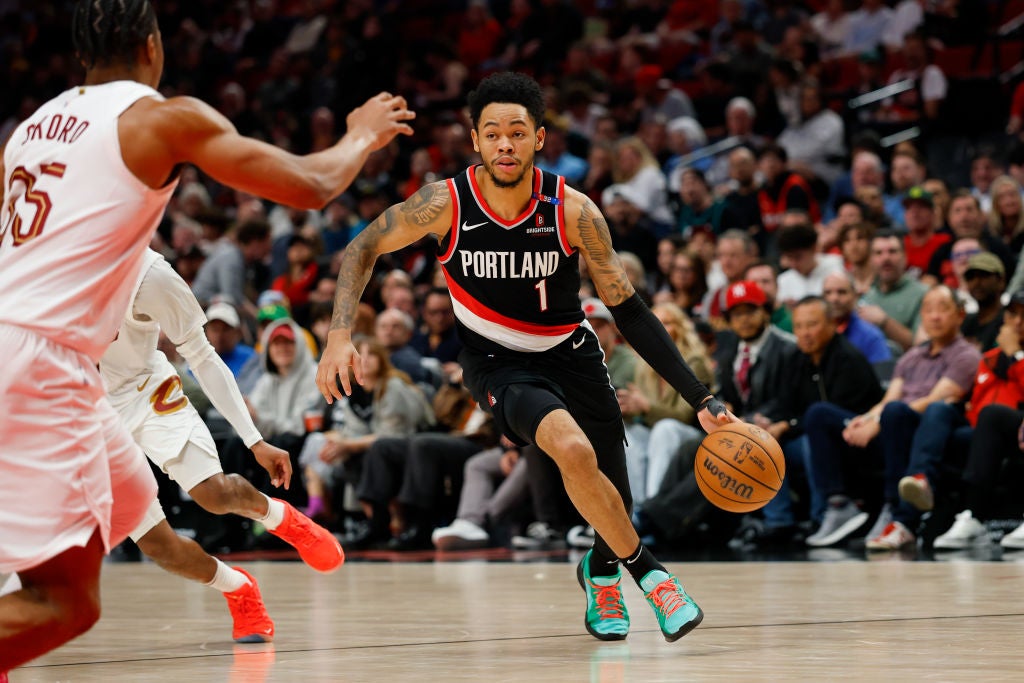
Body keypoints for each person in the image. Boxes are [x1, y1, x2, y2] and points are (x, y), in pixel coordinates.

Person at [0, 0, 412, 671]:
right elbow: (312, 184)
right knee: (62, 601)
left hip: (61, 366)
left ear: (80, 55)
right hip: (45, 363)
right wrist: (361, 133)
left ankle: (251, 570)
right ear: (154, 48)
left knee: (153, 530)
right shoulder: (160, 117)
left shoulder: (29, 131)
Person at [316, 72, 735, 643]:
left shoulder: (573, 209)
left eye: (518, 132)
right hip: (498, 364)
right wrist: (339, 336)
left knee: (613, 497)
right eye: (493, 134)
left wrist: (700, 397)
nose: (505, 144)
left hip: (574, 355)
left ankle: (602, 570)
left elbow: (631, 311)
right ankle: (654, 578)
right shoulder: (444, 204)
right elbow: (362, 246)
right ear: (476, 140)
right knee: (569, 447)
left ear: (539, 138)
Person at [100, 249, 344, 643]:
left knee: (212, 493)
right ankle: (237, 587)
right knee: (160, 548)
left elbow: (203, 357)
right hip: (85, 411)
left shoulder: (148, 274)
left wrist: (254, 440)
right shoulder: (35, 261)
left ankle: (281, 518)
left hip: (144, 391)